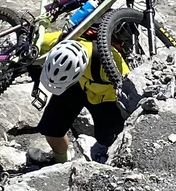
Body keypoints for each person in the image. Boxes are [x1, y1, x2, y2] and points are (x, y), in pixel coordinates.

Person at [25, 32, 128, 168]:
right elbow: (28, 41)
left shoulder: (109, 61)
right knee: (51, 128)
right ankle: (60, 163)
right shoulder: (61, 41)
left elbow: (129, 89)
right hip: (74, 83)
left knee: (109, 140)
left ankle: (111, 170)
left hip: (107, 97)